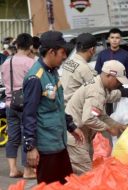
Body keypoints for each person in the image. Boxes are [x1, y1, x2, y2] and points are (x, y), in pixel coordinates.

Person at [22, 31, 84, 184]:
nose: (65, 57)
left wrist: (71, 126)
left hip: (59, 142)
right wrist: (30, 147)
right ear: (51, 52)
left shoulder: (53, 72)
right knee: (49, 186)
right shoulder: (35, 77)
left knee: (66, 184)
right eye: (63, 52)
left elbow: (57, 106)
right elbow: (28, 115)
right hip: (46, 146)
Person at [65, 60, 128, 174]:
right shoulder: (97, 92)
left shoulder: (99, 85)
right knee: (86, 176)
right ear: (109, 75)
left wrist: (118, 125)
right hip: (75, 136)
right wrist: (108, 128)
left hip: (82, 135)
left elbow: (101, 115)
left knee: (86, 173)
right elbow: (88, 118)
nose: (119, 84)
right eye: (118, 81)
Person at [1, 33, 36, 179]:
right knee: (26, 135)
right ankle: (28, 171)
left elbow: (3, 81)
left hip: (10, 104)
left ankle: (13, 169)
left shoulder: (5, 63)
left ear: (16, 45)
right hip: (26, 104)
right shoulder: (31, 63)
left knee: (13, 137)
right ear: (30, 47)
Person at [61, 33, 97, 105]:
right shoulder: (84, 68)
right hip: (76, 109)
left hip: (64, 106)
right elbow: (96, 91)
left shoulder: (69, 62)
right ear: (92, 49)